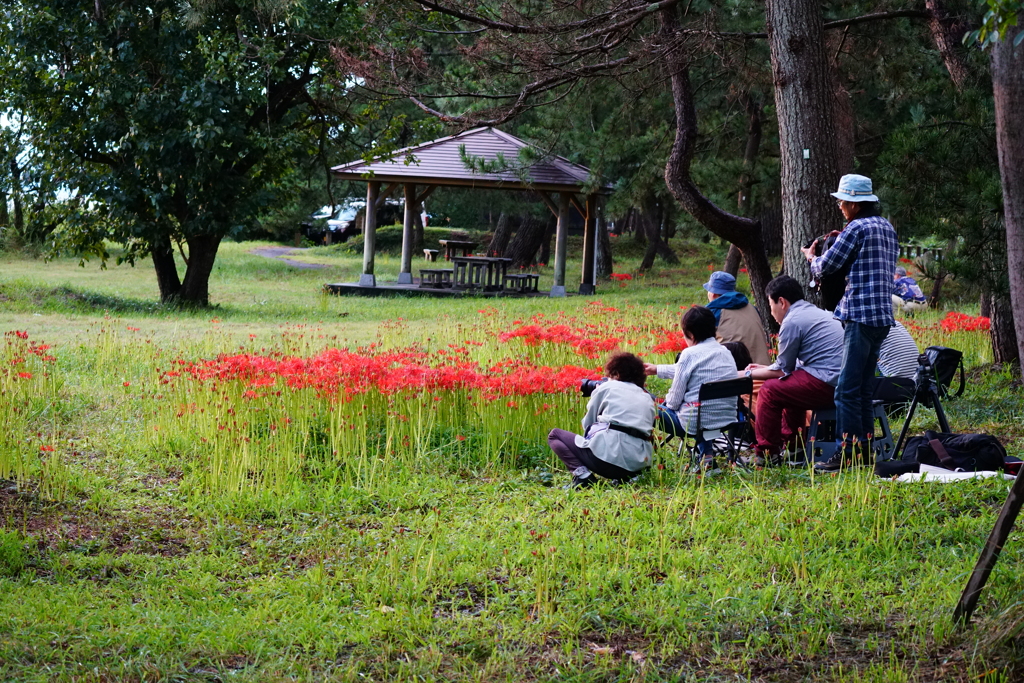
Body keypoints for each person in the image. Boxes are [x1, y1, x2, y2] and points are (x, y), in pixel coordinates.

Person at [801, 174, 898, 472]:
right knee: (864, 388)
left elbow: (827, 266)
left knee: (845, 390)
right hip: (882, 317)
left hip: (859, 315)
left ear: (855, 204)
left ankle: (847, 452)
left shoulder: (856, 228)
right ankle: (865, 449)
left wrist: (810, 257)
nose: (841, 206)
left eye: (843, 201)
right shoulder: (886, 227)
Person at [739, 276, 845, 467]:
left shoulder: (792, 321)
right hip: (841, 381)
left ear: (782, 302)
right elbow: (789, 367)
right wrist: (765, 368)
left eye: (771, 306)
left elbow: (781, 371)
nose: (771, 313)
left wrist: (746, 374)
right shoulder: (817, 313)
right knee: (789, 386)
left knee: (771, 391)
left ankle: (767, 453)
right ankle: (796, 447)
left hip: (829, 384)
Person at [643, 306, 737, 471]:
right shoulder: (725, 352)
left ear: (691, 334)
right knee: (701, 408)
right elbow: (696, 372)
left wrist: (661, 403)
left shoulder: (689, 354)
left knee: (643, 405)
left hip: (694, 424)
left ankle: (641, 455)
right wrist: (657, 369)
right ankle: (707, 458)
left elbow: (673, 402)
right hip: (725, 420)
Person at [548, 352, 657, 489]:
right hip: (638, 465)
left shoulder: (608, 387)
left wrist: (598, 391)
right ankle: (623, 478)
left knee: (555, 435)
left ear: (616, 374)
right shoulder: (647, 397)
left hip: (607, 462)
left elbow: (587, 424)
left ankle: (583, 477)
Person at [703, 271, 772, 365]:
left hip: (732, 373)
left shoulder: (713, 313)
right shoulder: (752, 308)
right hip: (763, 369)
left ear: (712, 294)